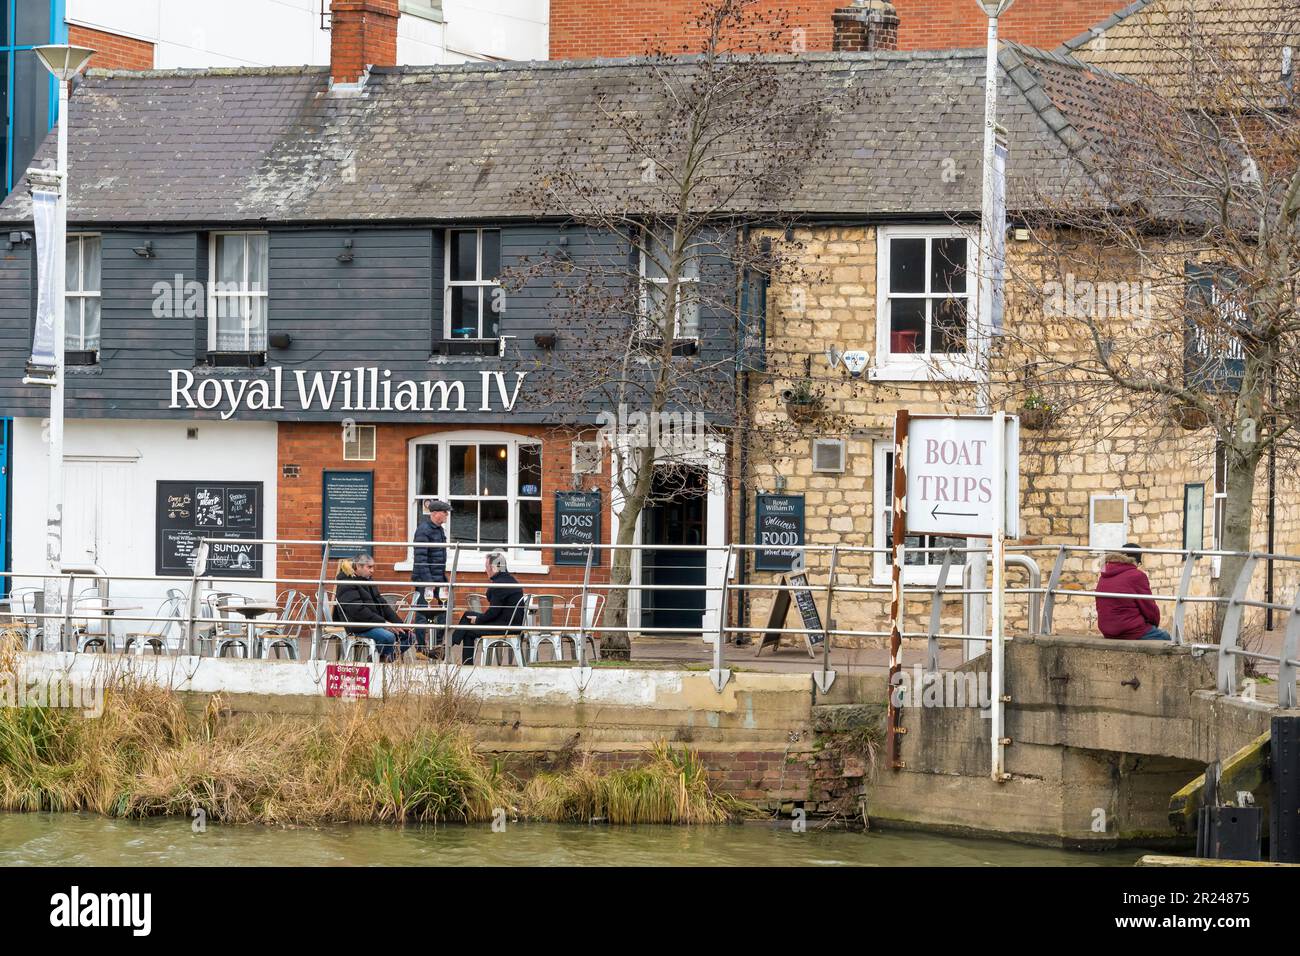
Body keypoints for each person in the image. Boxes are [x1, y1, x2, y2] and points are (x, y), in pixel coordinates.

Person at [333, 553, 421, 662]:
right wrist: (383, 623)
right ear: (358, 566)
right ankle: (378, 662)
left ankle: (380, 660)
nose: (372, 570)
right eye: (369, 567)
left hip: (374, 623)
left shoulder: (368, 581)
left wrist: (400, 624)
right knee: (388, 637)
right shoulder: (346, 583)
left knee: (409, 636)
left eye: (373, 567)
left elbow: (383, 606)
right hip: (358, 626)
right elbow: (358, 611)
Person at [451, 550, 526, 664]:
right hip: (511, 624)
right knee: (467, 615)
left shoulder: (499, 585)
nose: (485, 570)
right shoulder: (512, 581)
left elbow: (493, 612)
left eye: (486, 567)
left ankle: (463, 663)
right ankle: (445, 648)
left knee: (469, 632)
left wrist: (478, 619)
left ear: (493, 567)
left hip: (504, 626)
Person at [1096, 543, 1171, 641]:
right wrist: (1152, 625)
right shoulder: (1137, 575)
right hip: (1129, 631)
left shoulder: (1104, 574)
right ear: (1136, 561)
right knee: (1165, 637)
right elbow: (1149, 608)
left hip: (1107, 631)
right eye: (1139, 564)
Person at [413, 499, 452, 653]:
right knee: (422, 612)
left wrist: (442, 579)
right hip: (425, 579)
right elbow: (420, 558)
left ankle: (436, 645)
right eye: (445, 512)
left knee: (446, 609)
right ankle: (421, 648)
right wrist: (429, 581)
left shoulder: (439, 529)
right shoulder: (423, 530)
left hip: (438, 577)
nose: (447, 515)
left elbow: (439, 557)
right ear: (435, 513)